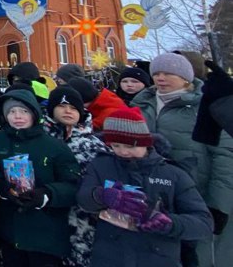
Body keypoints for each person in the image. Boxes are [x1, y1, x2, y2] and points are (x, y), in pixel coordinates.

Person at [77, 106, 213, 266]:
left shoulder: (173, 174)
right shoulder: (101, 165)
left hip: (158, 257)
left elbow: (204, 223)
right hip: (110, 256)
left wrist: (169, 223)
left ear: (145, 143)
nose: (123, 152)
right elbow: (83, 198)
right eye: (116, 146)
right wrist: (101, 195)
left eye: (130, 146)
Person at [131, 52, 233, 263]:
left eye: (169, 73)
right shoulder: (140, 104)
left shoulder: (205, 105)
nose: (161, 78)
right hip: (152, 195)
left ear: (186, 77)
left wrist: (219, 204)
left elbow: (224, 156)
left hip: (197, 194)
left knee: (200, 256)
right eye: (156, 73)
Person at [0, 88, 81, 266]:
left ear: (34, 114)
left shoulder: (53, 146)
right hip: (10, 230)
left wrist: (45, 195)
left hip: (46, 233)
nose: (17, 116)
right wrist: (2, 187)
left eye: (23, 111)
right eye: (12, 112)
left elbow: (72, 184)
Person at [43, 86, 108, 267]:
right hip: (47, 213)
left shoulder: (93, 145)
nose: (68, 111)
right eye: (62, 106)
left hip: (82, 219)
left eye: (73, 108)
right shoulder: (40, 140)